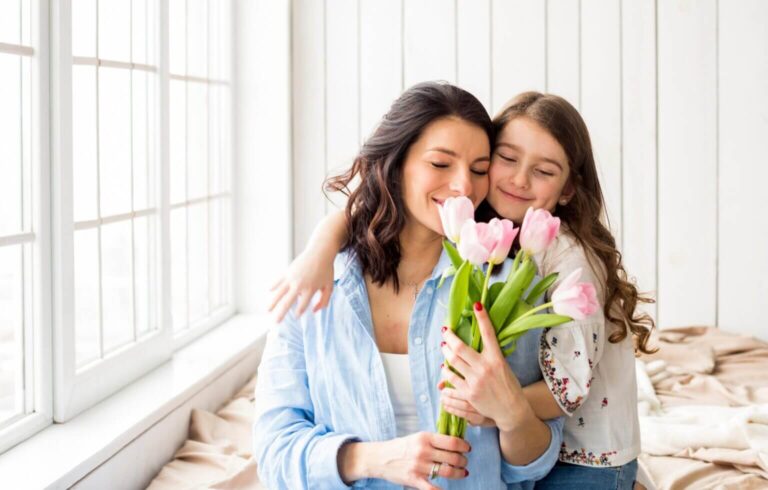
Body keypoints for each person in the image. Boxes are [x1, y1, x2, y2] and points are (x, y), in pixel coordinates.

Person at [269, 91, 655, 489]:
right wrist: (375, 459)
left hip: (591, 457)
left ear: (567, 188)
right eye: (440, 163)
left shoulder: (506, 277)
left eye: (479, 168)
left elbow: (532, 459)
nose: (463, 186)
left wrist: (510, 411)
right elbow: (274, 445)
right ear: (396, 164)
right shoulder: (317, 281)